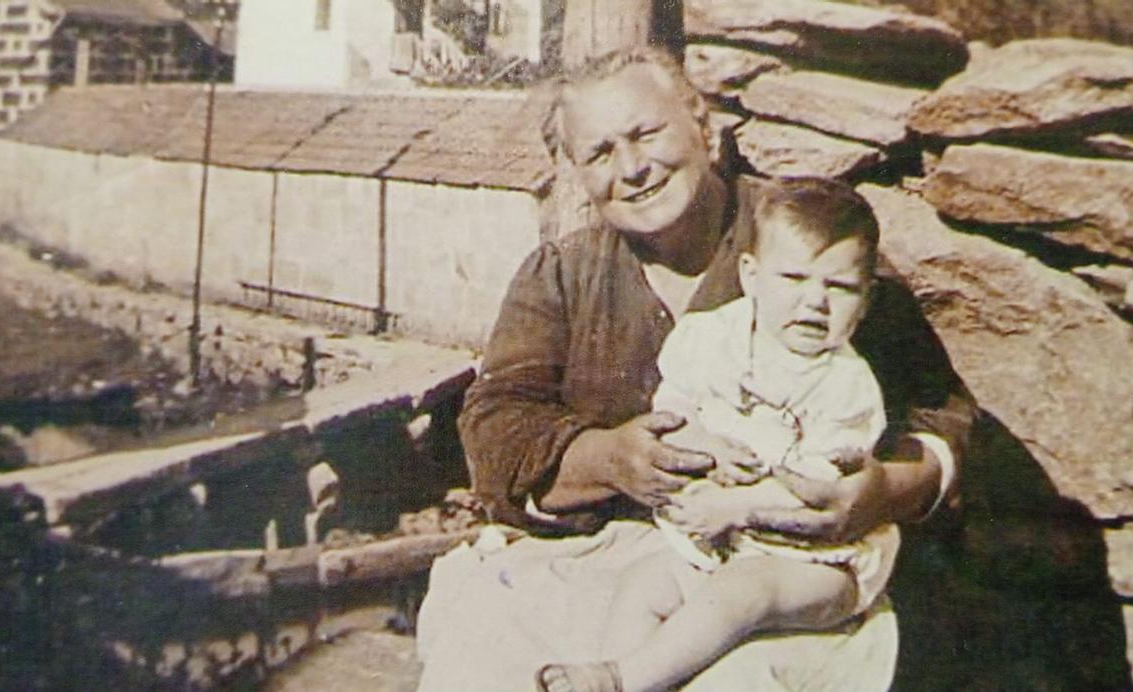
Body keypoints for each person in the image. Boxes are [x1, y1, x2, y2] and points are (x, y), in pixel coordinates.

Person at [415, 46, 975, 691]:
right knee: (490, 655)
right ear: (576, 174)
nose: (632, 168)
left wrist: (881, 491)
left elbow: (939, 414)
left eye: (646, 133)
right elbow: (497, 428)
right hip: (602, 557)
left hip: (782, 567)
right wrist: (609, 459)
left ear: (703, 128)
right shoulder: (561, 275)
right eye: (599, 153)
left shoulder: (800, 246)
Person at [536, 179, 906, 692]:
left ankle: (624, 680)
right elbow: (675, 408)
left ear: (865, 300)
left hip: (813, 564)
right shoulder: (714, 337)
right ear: (752, 277)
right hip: (719, 545)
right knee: (641, 584)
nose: (815, 303)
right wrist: (703, 441)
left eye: (838, 287)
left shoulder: (848, 389)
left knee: (743, 590)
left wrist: (738, 509)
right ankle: (614, 672)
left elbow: (819, 491)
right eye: (794, 278)